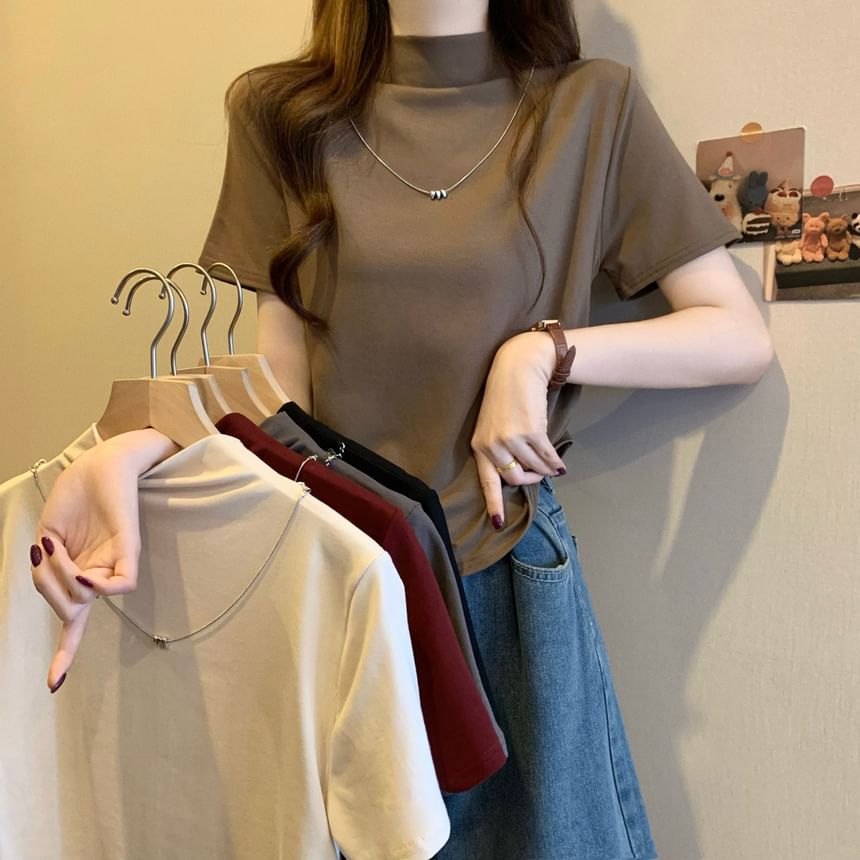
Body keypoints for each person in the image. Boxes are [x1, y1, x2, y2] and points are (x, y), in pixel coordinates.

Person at [30, 1, 773, 857]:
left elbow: (736, 335)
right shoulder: (280, 113)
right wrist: (138, 447)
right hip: (340, 573)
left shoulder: (589, 105)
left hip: (503, 573)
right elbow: (278, 392)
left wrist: (541, 353)